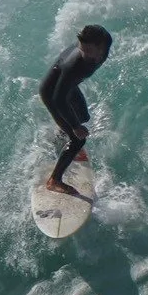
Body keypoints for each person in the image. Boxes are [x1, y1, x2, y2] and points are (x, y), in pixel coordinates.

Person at [39, 24, 112, 197]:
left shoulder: (104, 47)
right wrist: (74, 127)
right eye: (81, 48)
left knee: (83, 117)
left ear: (101, 47)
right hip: (53, 94)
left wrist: (75, 124)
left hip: (68, 88)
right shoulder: (75, 65)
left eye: (87, 49)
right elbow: (58, 99)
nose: (83, 53)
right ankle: (54, 180)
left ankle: (61, 136)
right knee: (78, 139)